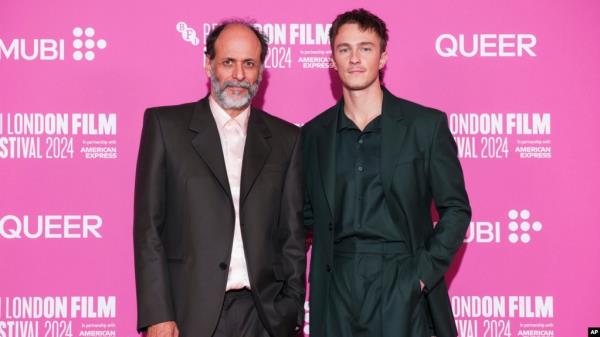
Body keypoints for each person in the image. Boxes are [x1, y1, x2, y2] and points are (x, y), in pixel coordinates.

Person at [302, 8, 471, 337]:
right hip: (336, 281)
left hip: (400, 276)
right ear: (332, 60)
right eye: (344, 49)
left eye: (366, 48)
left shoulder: (425, 126)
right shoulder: (313, 134)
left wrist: (419, 275)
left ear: (382, 58)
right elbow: (305, 214)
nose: (355, 58)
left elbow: (456, 208)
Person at [134, 20, 305, 337]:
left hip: (265, 318)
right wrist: (158, 314)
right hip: (188, 316)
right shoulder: (165, 127)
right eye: (228, 62)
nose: (239, 75)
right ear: (208, 64)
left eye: (249, 64)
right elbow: (149, 230)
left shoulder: (286, 139)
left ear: (261, 71)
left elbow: (292, 236)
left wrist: (292, 309)